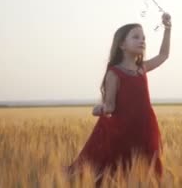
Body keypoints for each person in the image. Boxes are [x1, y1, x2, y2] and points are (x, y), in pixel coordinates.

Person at [65, 13, 172, 185]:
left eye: (143, 37)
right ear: (122, 44)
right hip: (122, 132)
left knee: (146, 172)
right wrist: (97, 109)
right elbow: (109, 107)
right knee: (116, 171)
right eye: (136, 37)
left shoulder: (141, 68)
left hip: (144, 127)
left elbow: (163, 55)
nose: (142, 40)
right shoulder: (114, 73)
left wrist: (168, 28)